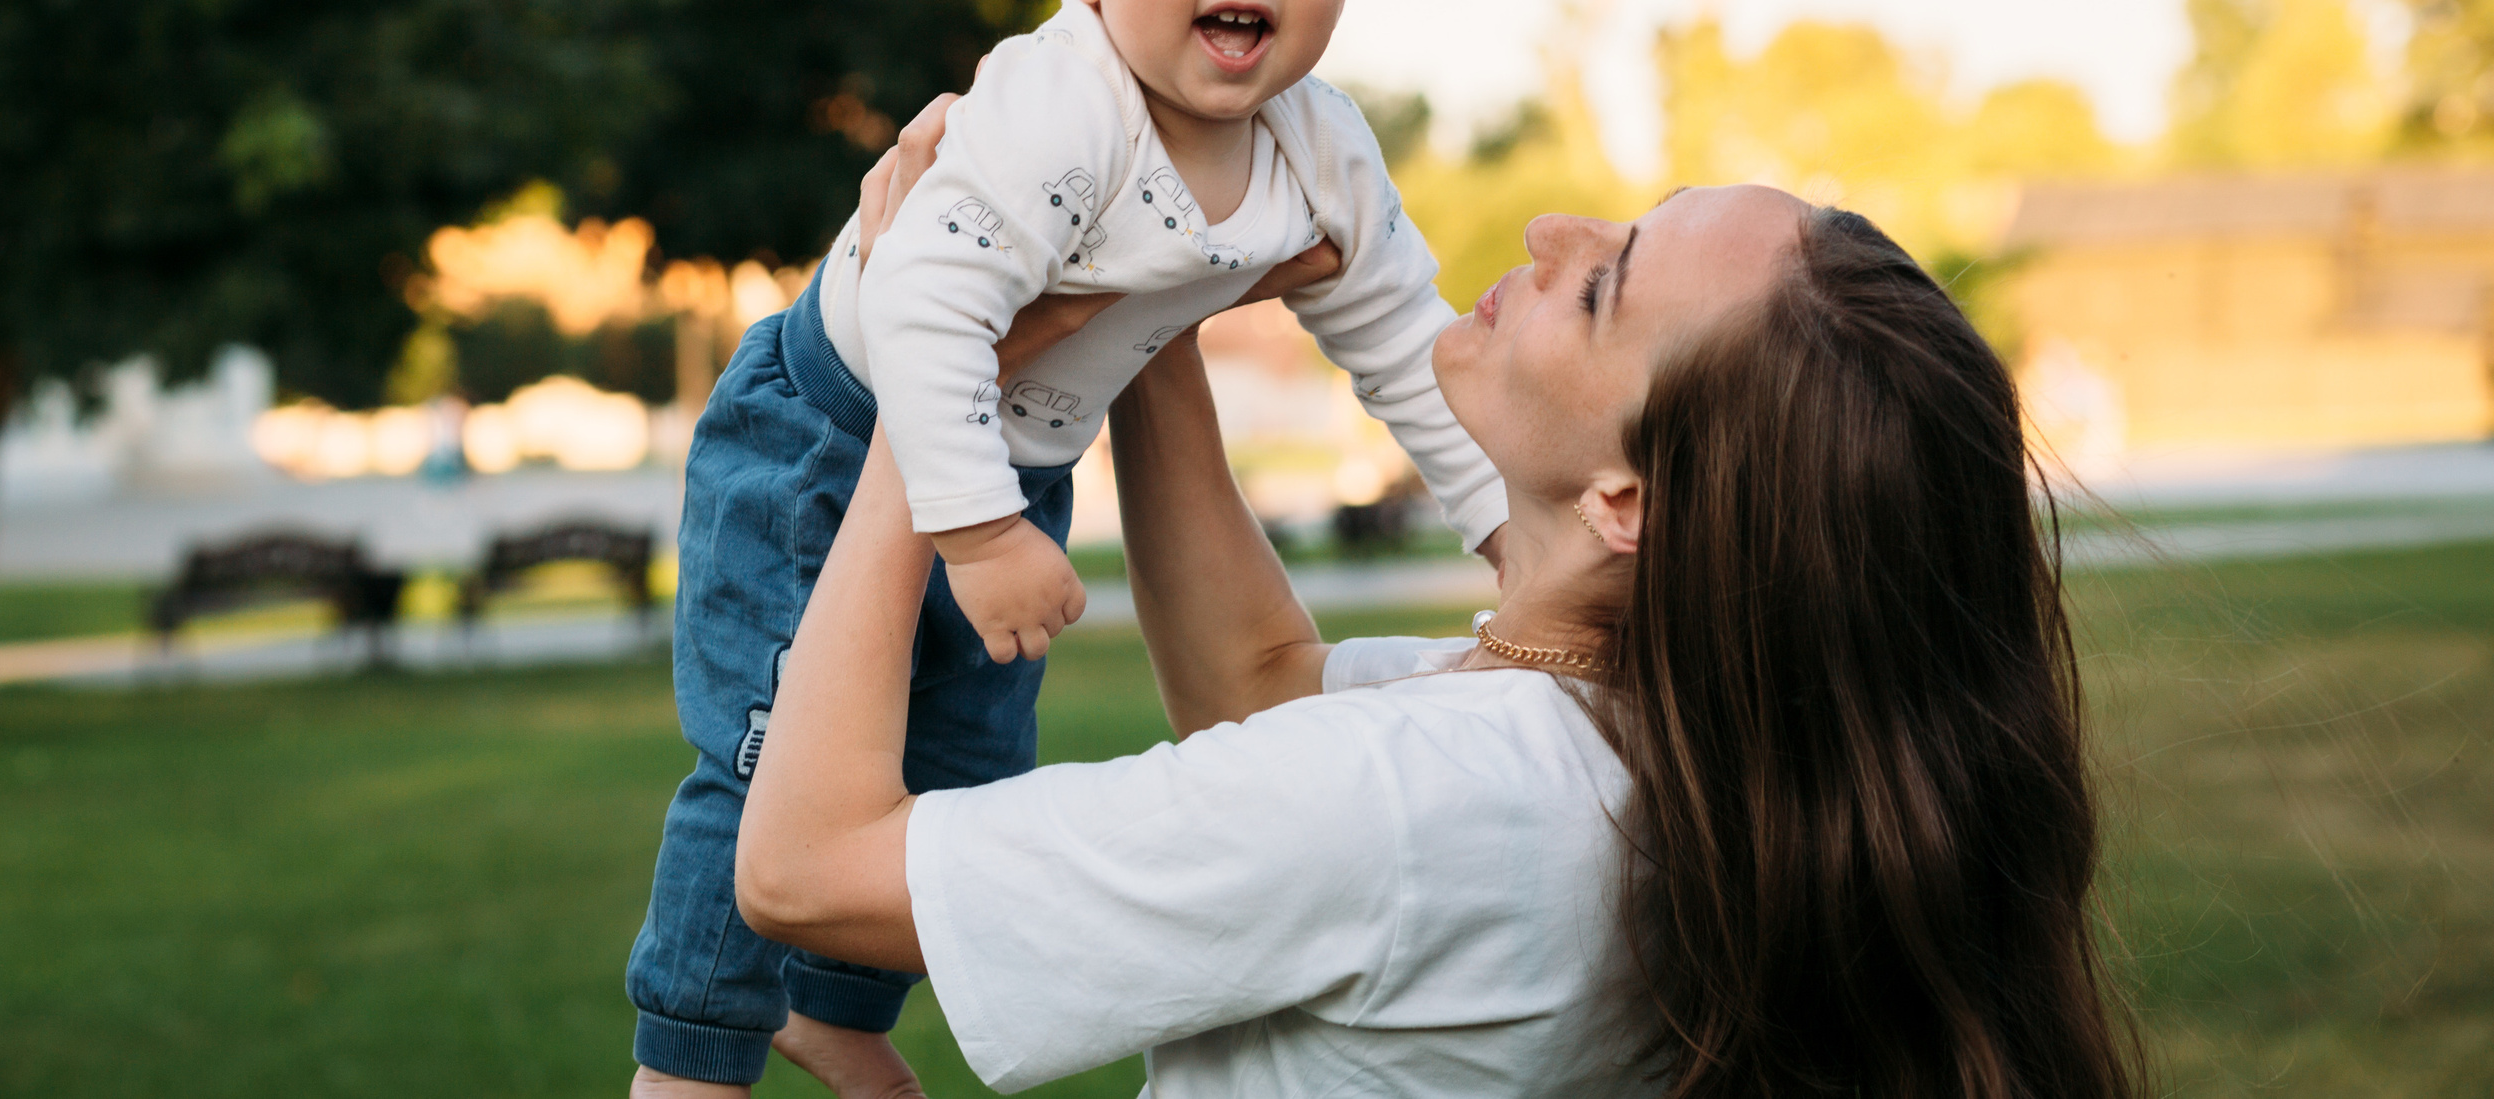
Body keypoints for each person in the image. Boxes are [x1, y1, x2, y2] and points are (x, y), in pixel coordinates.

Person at [705, 135, 2144, 1097]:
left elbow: (806, 873)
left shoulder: (1417, 805)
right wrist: (1150, 312)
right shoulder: (1635, 745)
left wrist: (929, 384)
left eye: (1605, 282)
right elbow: (1257, 687)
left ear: (1628, 500)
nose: (1549, 230)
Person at [626, 0, 1508, 1091]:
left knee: (969, 771)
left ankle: (835, 1012)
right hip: (830, 431)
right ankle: (689, 1057)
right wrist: (977, 532)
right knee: (763, 746)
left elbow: (1407, 346)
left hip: (1015, 466)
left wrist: (1522, 545)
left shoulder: (1320, 149)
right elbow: (927, 306)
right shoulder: (1062, 108)